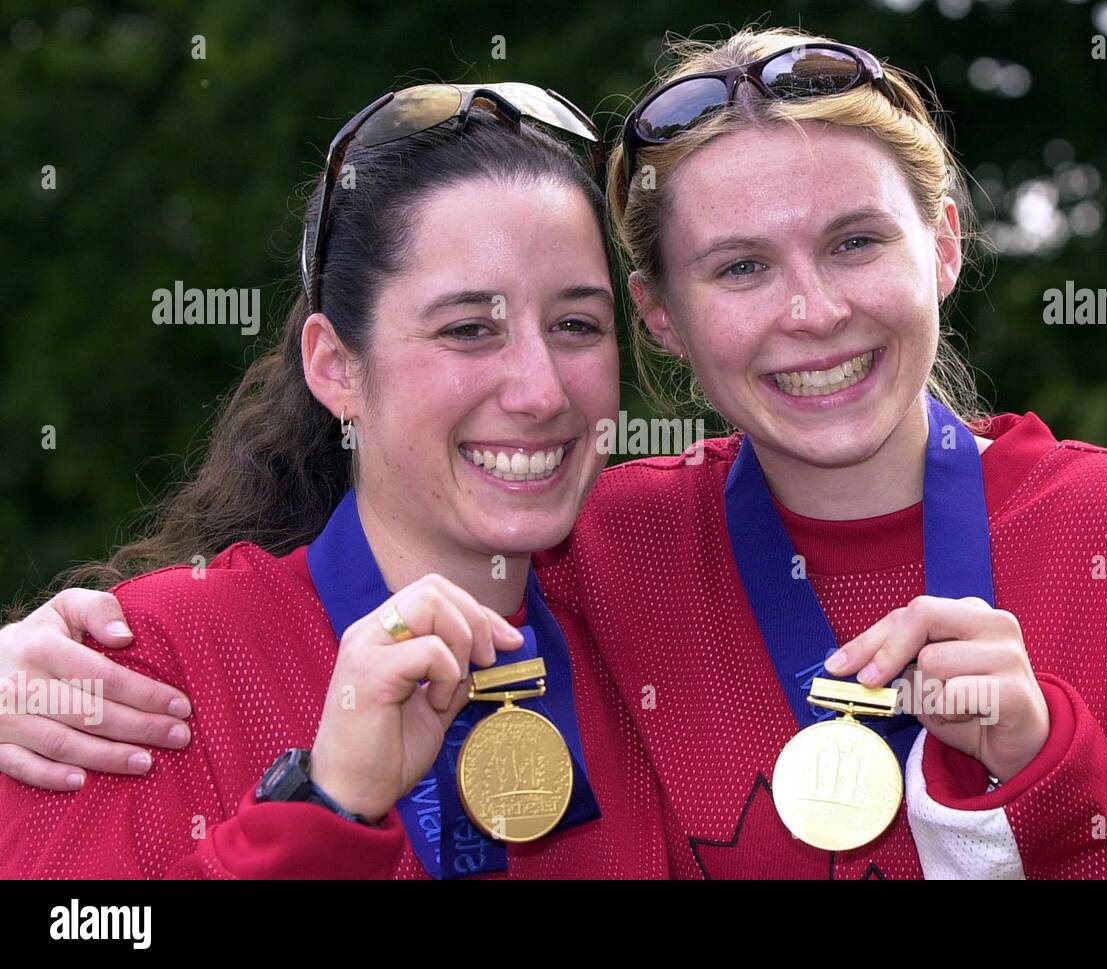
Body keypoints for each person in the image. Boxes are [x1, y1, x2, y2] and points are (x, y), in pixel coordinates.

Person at [5, 28, 1107, 879]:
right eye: (740, 266)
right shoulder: (601, 551)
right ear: (669, 315)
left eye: (855, 241)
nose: (810, 311)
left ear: (947, 247)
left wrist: (1050, 768)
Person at [0, 82, 672, 879]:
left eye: (575, 326)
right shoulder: (129, 676)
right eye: (467, 329)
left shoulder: (664, 598)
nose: (541, 390)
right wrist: (323, 809)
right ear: (336, 367)